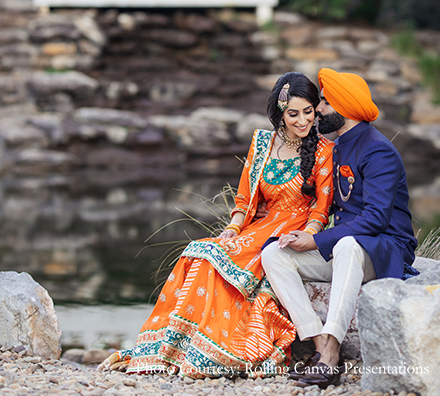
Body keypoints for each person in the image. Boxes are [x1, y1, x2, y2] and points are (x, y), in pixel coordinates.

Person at [99, 72, 334, 378]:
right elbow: (245, 200)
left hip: (289, 234)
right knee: (200, 252)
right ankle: (175, 345)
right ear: (280, 113)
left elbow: (321, 209)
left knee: (217, 260)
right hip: (255, 230)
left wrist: (309, 236)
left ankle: (214, 350)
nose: (303, 121)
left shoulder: (323, 152)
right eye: (293, 114)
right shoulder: (263, 144)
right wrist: (233, 229)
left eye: (308, 112)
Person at [261, 67, 418, 390]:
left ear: (345, 107)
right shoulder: (339, 146)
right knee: (274, 253)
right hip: (346, 250)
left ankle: (332, 351)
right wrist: (292, 229)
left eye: (325, 103)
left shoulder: (378, 151)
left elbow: (375, 219)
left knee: (347, 244)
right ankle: (318, 344)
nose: (318, 109)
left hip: (384, 248)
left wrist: (317, 240)